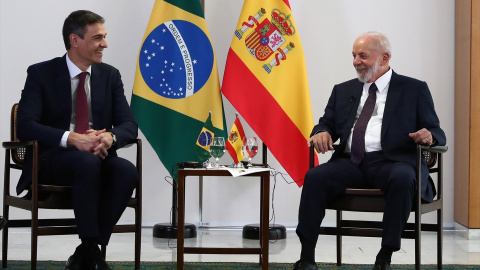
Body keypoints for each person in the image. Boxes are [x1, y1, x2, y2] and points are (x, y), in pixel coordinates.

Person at [293, 31, 446, 270]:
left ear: (384, 58)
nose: (356, 62)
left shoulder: (413, 89)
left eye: (362, 56)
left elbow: (437, 131)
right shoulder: (343, 90)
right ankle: (307, 257)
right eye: (353, 56)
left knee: (403, 177)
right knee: (315, 177)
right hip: (351, 162)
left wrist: (429, 135)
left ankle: (385, 256)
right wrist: (321, 132)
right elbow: (326, 124)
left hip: (392, 161)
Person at [16, 10, 138, 270]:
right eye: (97, 38)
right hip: (54, 158)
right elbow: (25, 125)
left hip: (98, 156)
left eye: (104, 37)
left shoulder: (110, 76)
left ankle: (88, 249)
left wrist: (109, 136)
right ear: (74, 40)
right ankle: (93, 255)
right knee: (86, 164)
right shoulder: (41, 73)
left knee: (127, 171)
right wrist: (71, 138)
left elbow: (129, 125)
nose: (104, 44)